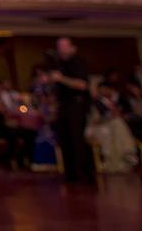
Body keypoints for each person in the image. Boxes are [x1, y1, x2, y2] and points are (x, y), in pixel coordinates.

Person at [49, 37, 94, 183]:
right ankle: (72, 174)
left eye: (64, 46)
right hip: (64, 107)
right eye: (59, 46)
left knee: (76, 140)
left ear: (72, 48)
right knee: (65, 140)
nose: (61, 49)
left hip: (76, 106)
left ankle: (83, 173)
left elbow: (82, 85)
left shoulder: (77, 63)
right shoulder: (60, 64)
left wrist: (61, 79)